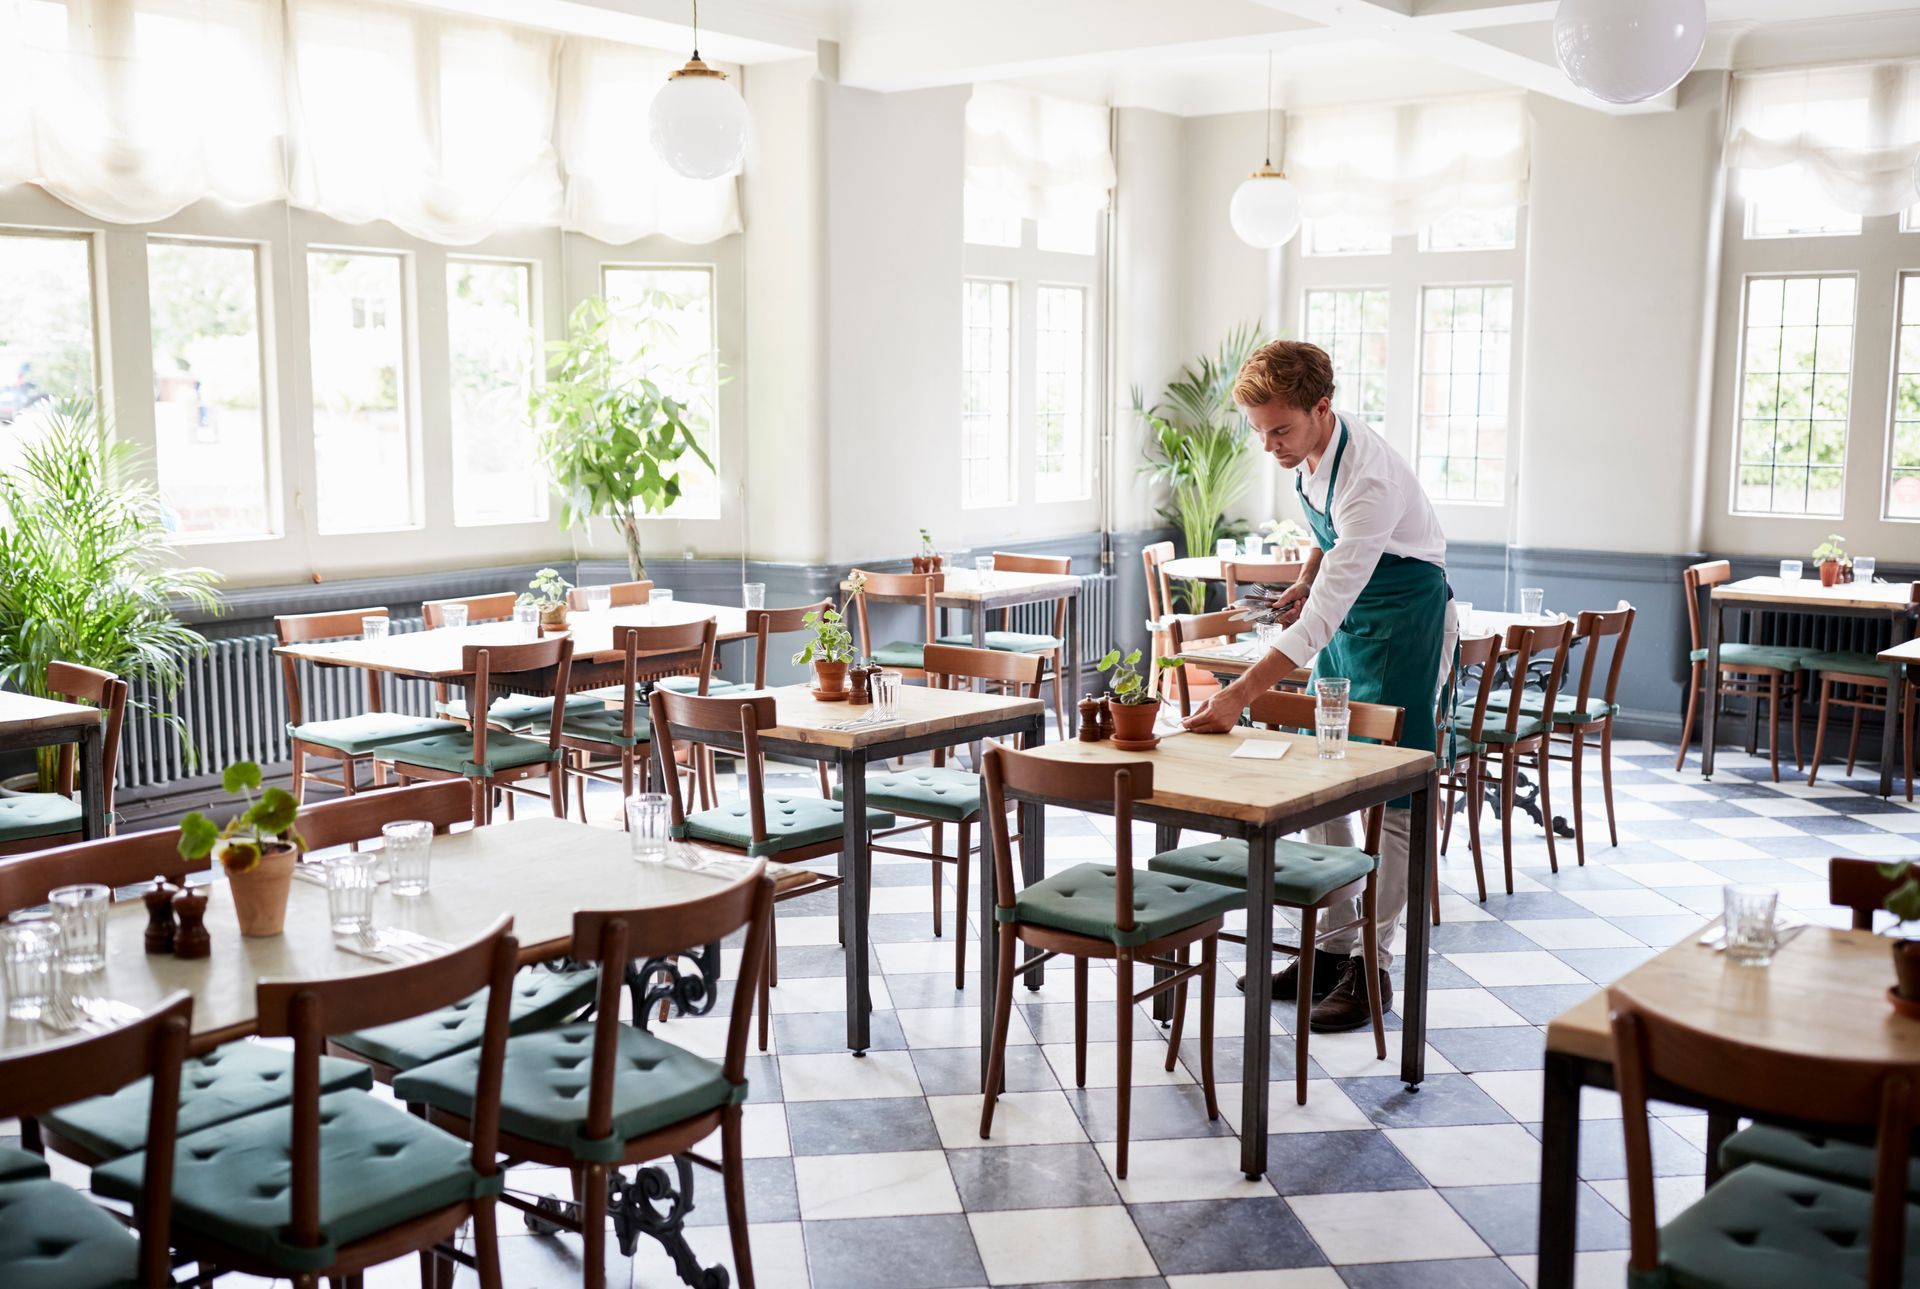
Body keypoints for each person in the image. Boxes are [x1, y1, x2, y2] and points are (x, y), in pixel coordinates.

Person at [1181, 340, 1456, 1032]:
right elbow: (1329, 540)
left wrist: (1239, 693)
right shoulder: (1313, 451)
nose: (1270, 446)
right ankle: (1331, 951)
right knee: (1329, 766)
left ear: (1322, 409)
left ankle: (1373, 968)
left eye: (1282, 430)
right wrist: (1306, 576)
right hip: (1353, 610)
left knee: (1392, 791)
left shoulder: (1370, 480)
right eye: (1261, 432)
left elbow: (1325, 611)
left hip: (1403, 619)